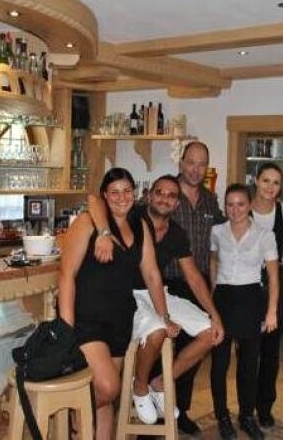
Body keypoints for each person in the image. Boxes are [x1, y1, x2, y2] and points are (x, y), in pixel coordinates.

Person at [89, 174, 226, 425]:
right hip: (128, 295)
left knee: (210, 334)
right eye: (160, 193)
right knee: (158, 332)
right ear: (149, 196)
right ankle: (139, 386)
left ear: (177, 204)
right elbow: (94, 200)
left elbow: (193, 276)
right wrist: (103, 232)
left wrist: (215, 315)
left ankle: (161, 382)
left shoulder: (177, 233)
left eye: (171, 196)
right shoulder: (133, 216)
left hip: (158, 292)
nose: (164, 199)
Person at [58, 167, 179, 440]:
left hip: (120, 319)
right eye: (114, 192)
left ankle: (84, 423)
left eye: (127, 191)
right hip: (87, 318)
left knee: (107, 400)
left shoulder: (140, 226)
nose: (121, 197)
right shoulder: (88, 222)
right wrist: (66, 326)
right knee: (108, 386)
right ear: (105, 195)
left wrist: (164, 316)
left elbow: (152, 274)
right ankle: (73, 417)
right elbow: (66, 274)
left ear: (135, 193)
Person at [165, 140, 227, 435]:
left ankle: (180, 410)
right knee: (162, 349)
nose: (195, 169)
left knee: (192, 353)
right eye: (191, 162)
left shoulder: (209, 200)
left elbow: (226, 229)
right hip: (165, 284)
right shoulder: (166, 193)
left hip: (199, 283)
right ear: (181, 163)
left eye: (202, 164)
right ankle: (156, 413)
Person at [209, 183, 279, 440]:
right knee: (219, 364)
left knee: (249, 364)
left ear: (249, 205)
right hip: (223, 300)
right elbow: (213, 261)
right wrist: (213, 295)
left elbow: (274, 277)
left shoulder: (264, 235)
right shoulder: (217, 231)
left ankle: (247, 416)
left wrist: (271, 312)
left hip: (251, 300)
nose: (235, 209)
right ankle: (222, 416)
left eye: (240, 204)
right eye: (230, 204)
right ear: (225, 206)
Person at [251, 162, 283, 428]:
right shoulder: (242, 207)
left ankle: (264, 407)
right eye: (266, 180)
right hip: (247, 287)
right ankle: (246, 408)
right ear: (256, 181)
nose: (270, 187)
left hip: (276, 286)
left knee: (270, 354)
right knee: (248, 353)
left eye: (276, 182)